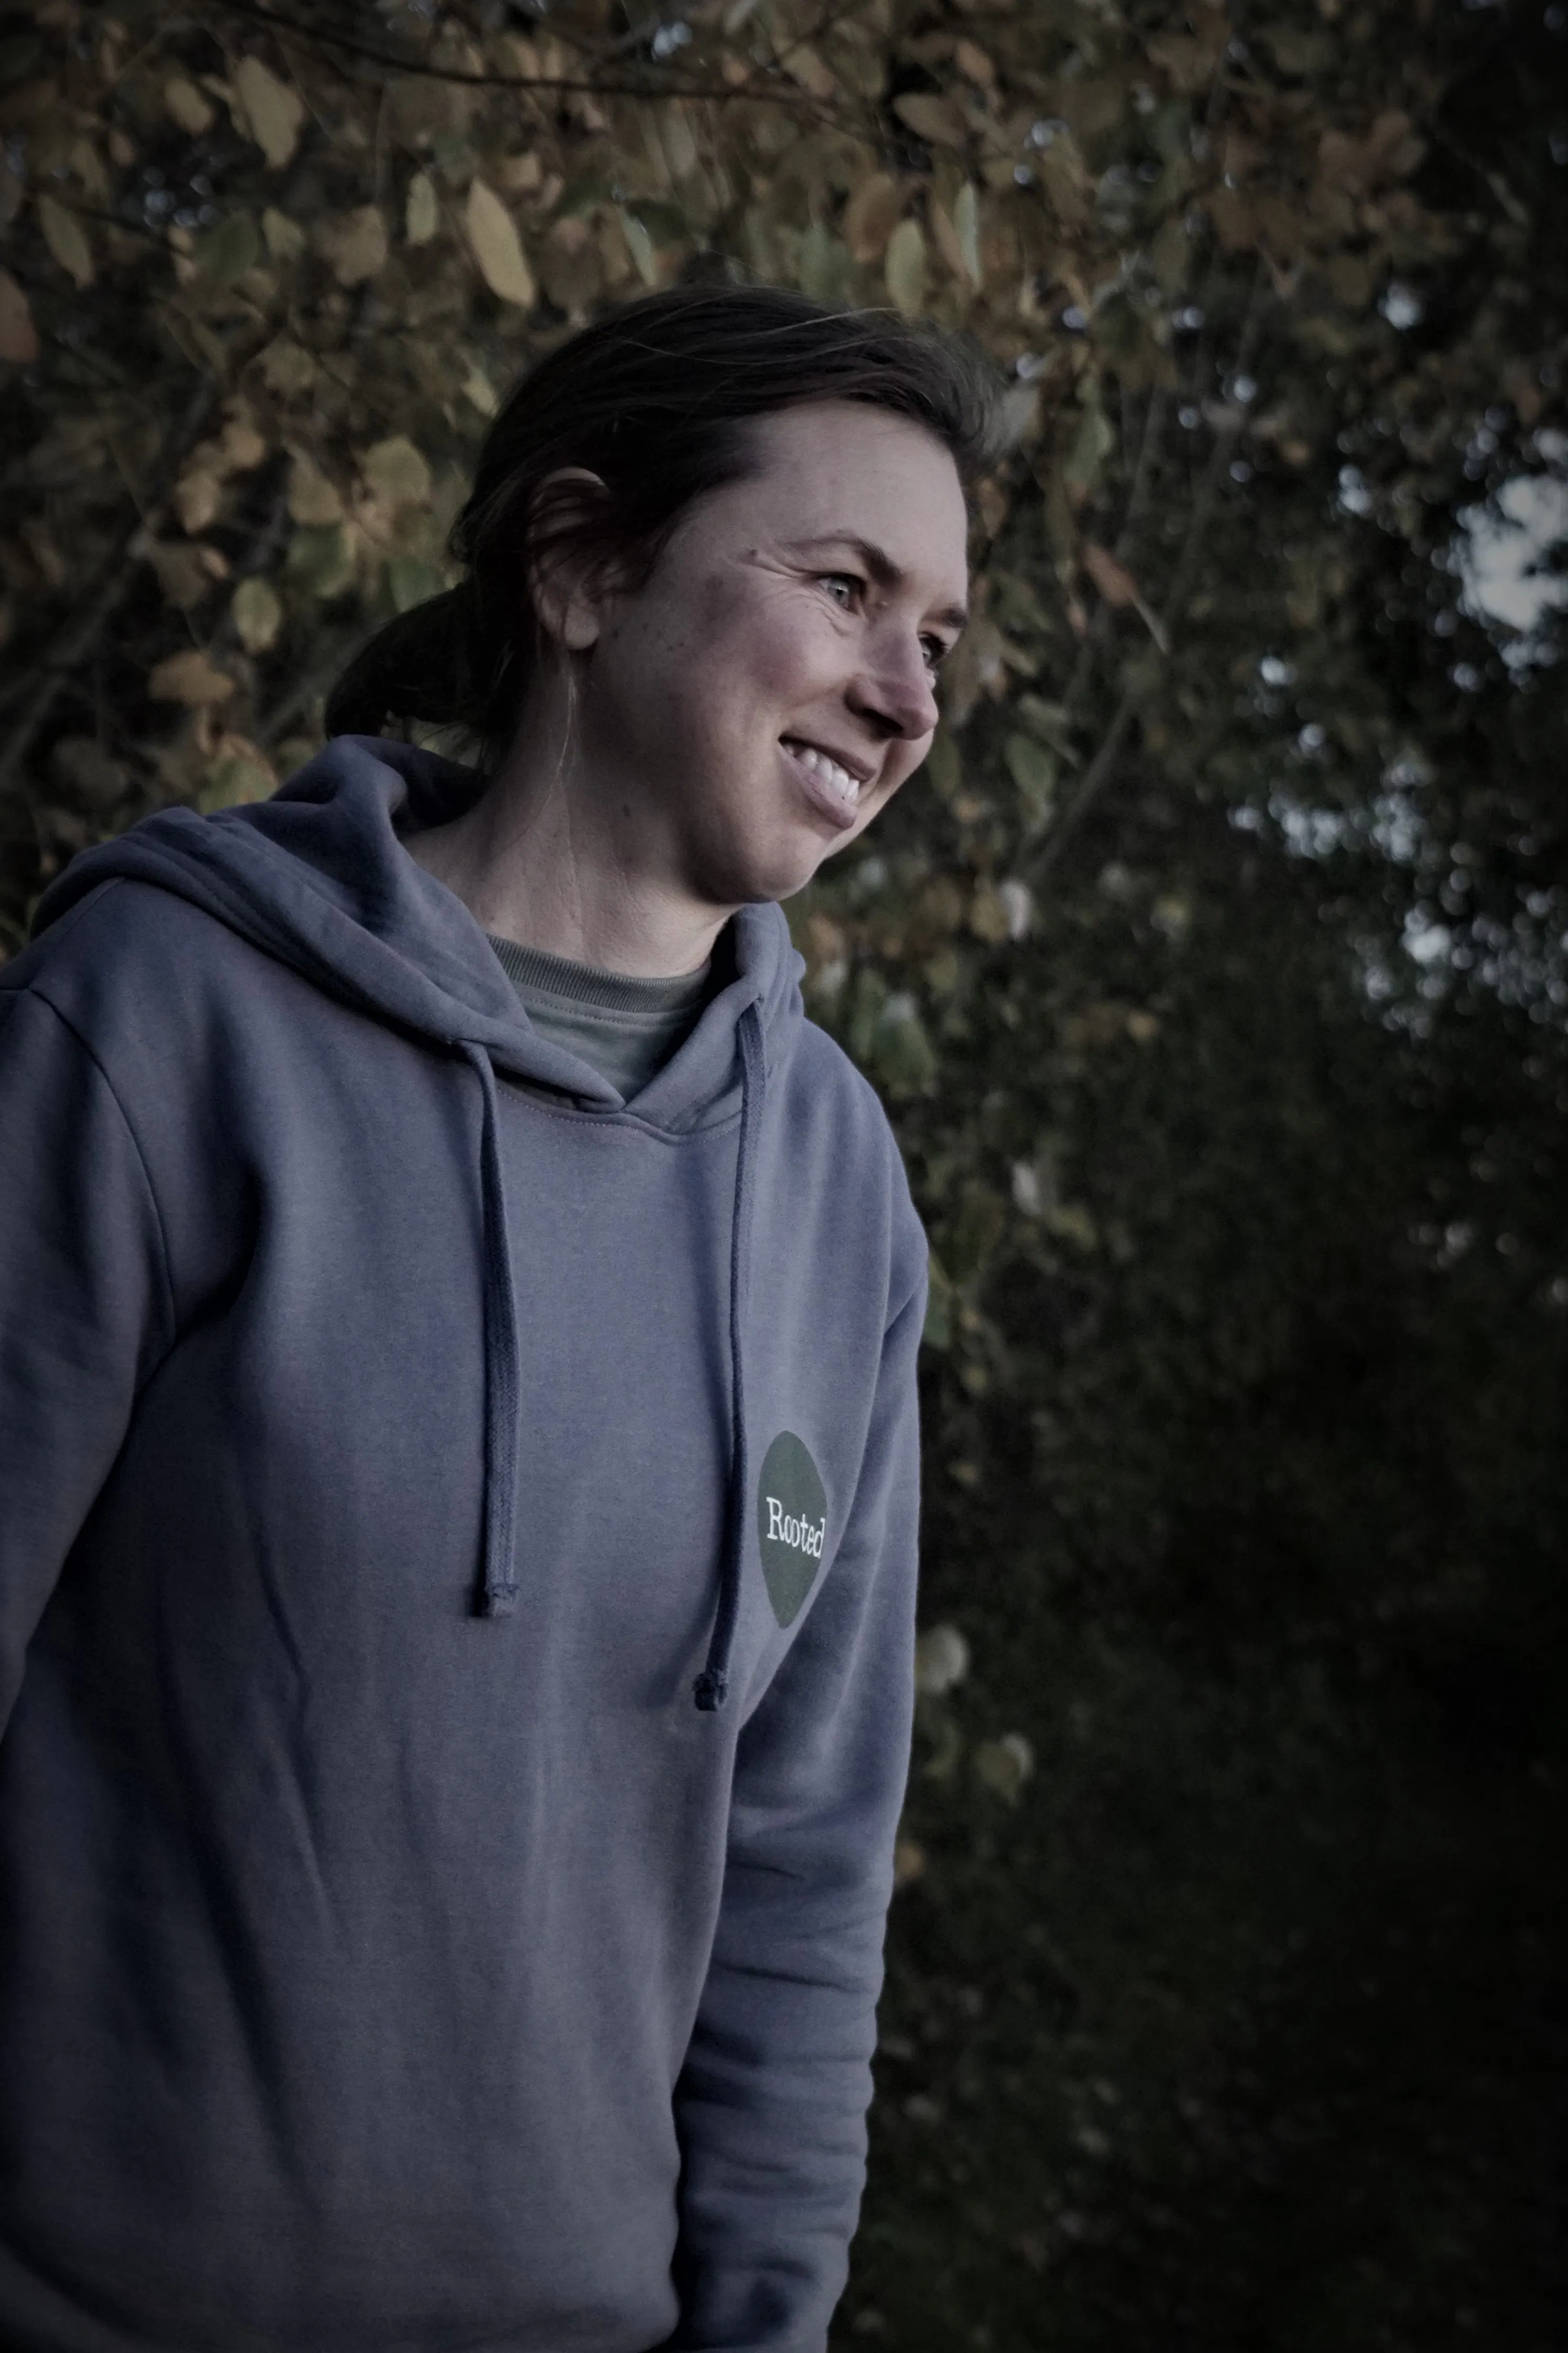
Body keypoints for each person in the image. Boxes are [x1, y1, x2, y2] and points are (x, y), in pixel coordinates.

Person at [0, 284, 997, 2351]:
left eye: (945, 640)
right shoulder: (170, 1021)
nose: (908, 692)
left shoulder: (838, 1200)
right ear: (580, 566)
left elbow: (803, 1887)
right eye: (845, 586)